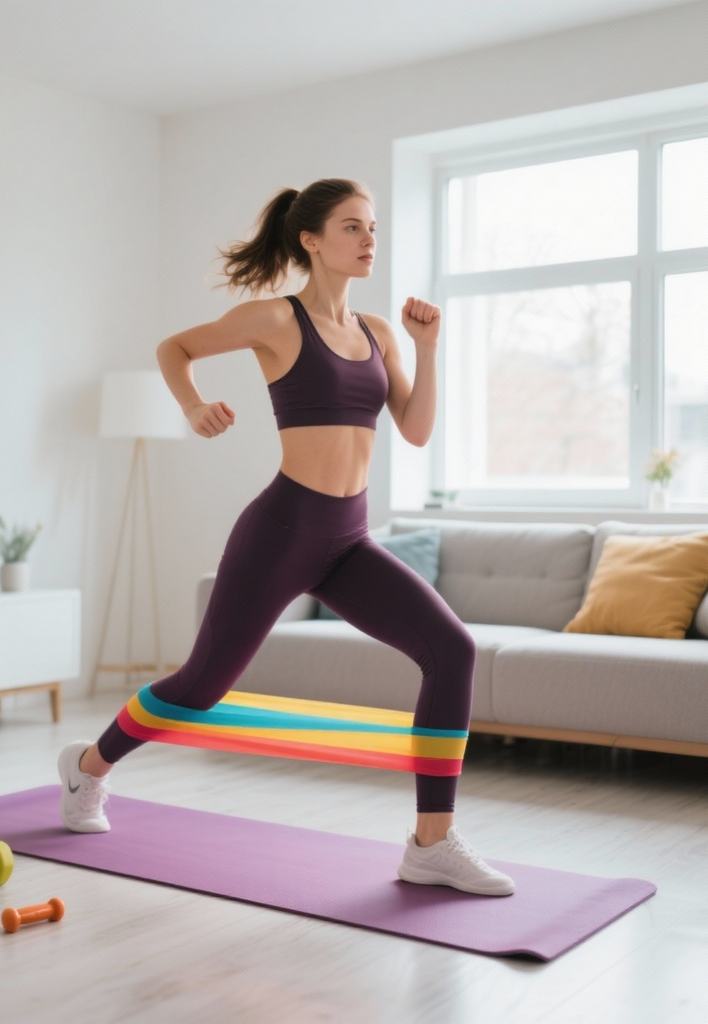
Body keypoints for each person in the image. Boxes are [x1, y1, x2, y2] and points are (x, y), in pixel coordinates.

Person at [58, 178, 514, 897]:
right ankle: (88, 768)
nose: (369, 240)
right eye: (352, 227)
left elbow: (417, 430)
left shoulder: (378, 332)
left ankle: (431, 844)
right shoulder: (273, 319)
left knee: (452, 649)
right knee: (201, 687)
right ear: (310, 239)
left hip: (350, 537)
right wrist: (194, 405)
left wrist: (427, 348)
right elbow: (175, 347)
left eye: (372, 228)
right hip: (283, 527)